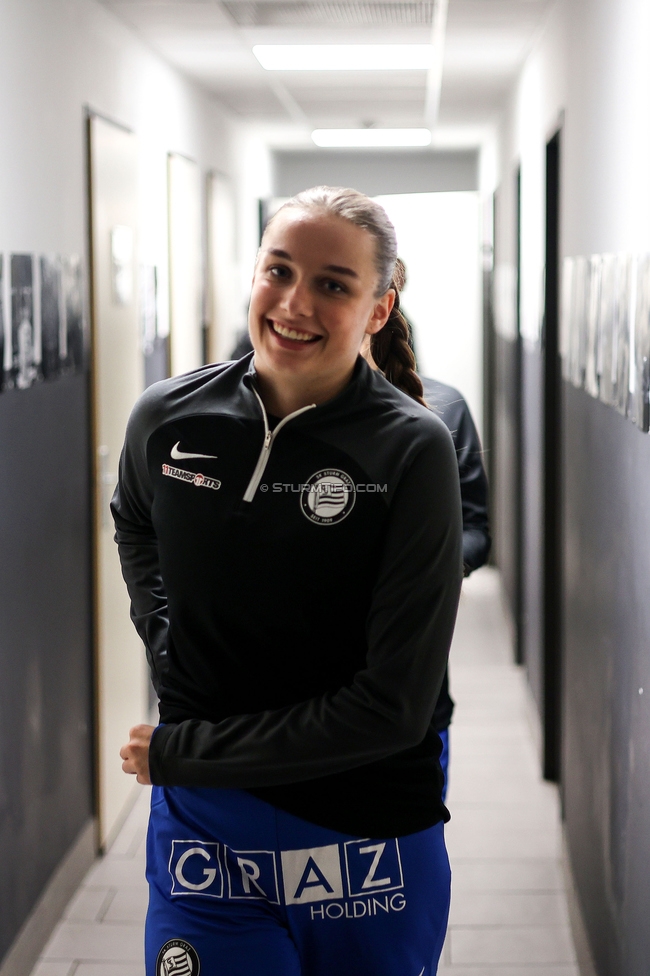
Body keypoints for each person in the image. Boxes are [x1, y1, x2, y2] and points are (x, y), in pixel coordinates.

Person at [114, 185, 463, 976]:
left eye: (334, 284)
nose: (294, 303)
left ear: (379, 308)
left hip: (364, 834)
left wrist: (189, 752)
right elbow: (133, 515)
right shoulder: (170, 417)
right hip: (206, 829)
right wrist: (168, 638)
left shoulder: (409, 450)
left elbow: (393, 707)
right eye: (278, 270)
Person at [361, 258, 491, 800]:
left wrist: (424, 570)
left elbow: (477, 529)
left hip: (410, 681)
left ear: (379, 311)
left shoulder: (441, 410)